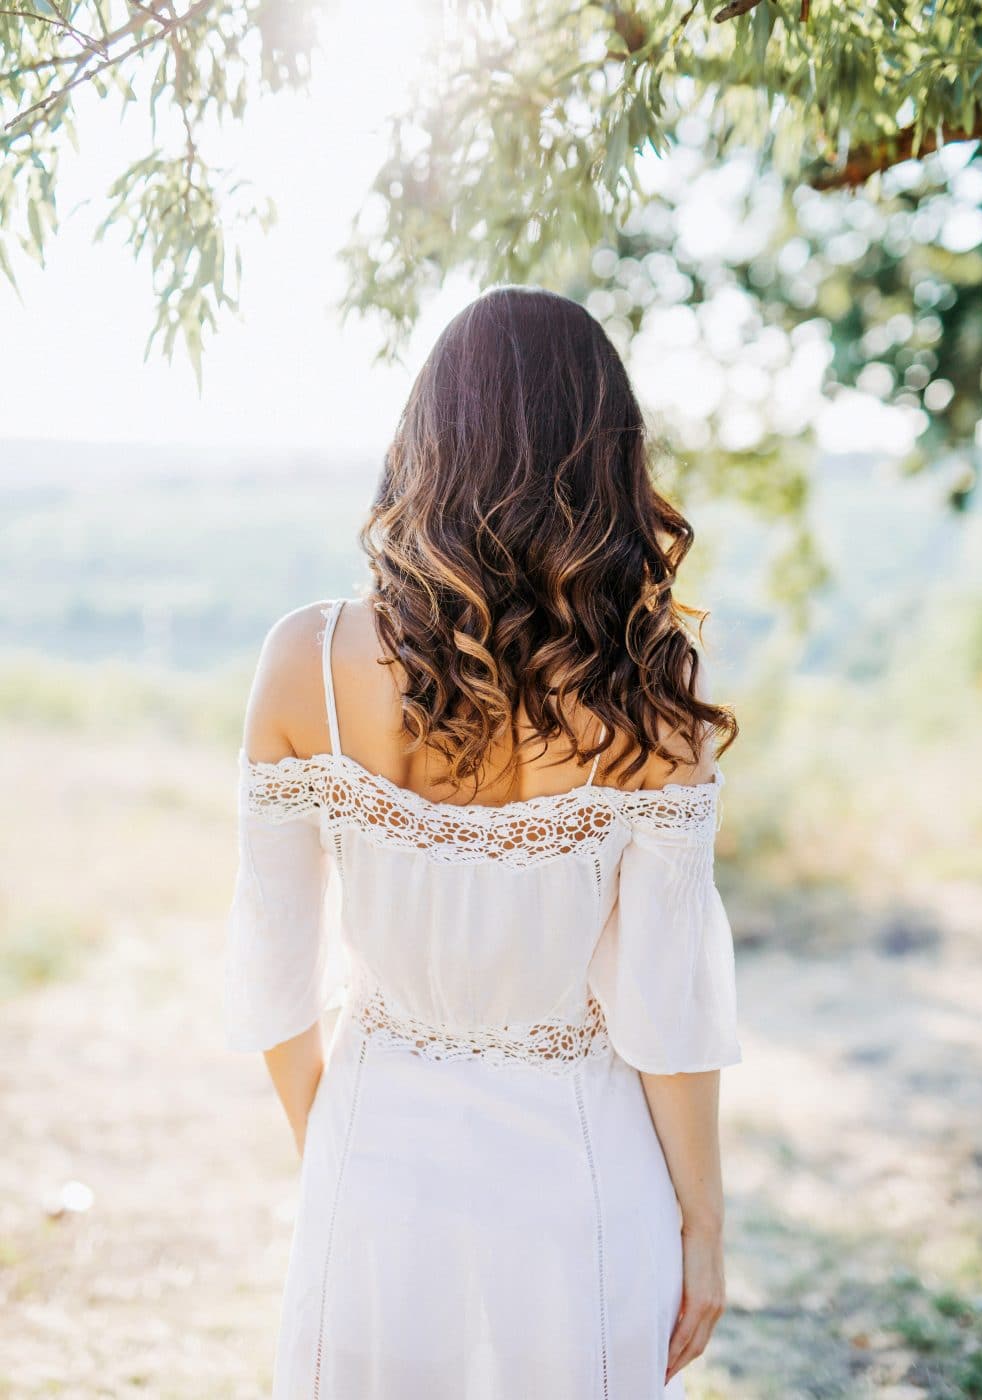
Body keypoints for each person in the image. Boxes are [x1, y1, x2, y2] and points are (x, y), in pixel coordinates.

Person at [224, 284, 743, 1400]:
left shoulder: (303, 661)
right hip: (586, 1170)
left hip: (373, 1149)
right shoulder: (650, 692)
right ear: (606, 457)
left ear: (426, 441)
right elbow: (667, 1006)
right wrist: (702, 1223)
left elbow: (273, 981)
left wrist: (345, 1153)